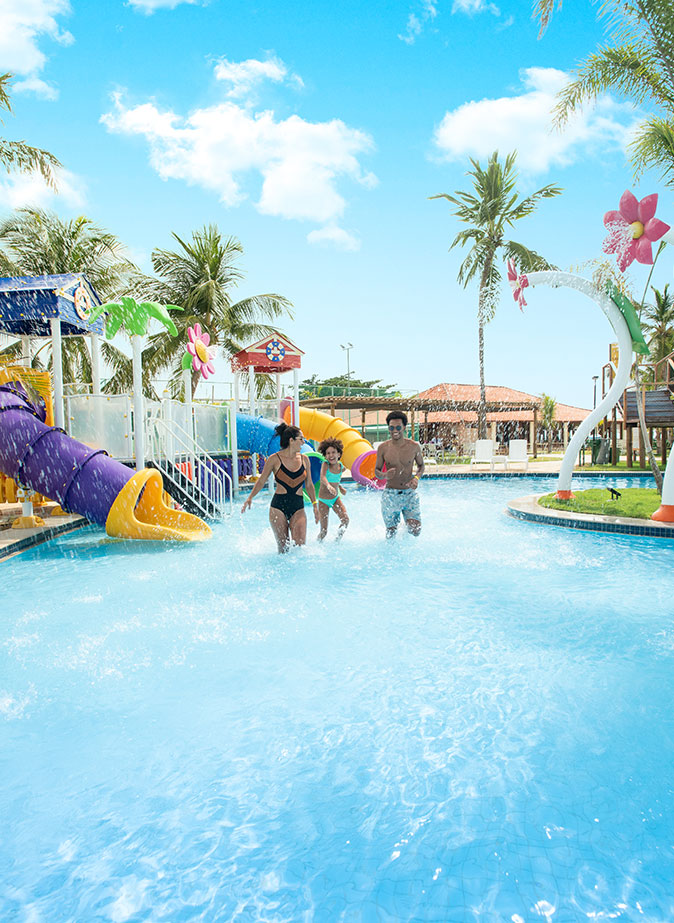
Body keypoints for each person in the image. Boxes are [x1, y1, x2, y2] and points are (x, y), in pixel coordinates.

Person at [241, 422, 318, 553]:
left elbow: (309, 484)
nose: (304, 442)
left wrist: (315, 504)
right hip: (278, 507)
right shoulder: (274, 459)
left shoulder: (305, 459)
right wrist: (250, 498)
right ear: (291, 440)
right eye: (301, 439)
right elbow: (261, 480)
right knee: (283, 550)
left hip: (298, 506)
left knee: (300, 548)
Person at [374, 410, 425, 538]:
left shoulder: (414, 447)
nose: (394, 430)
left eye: (398, 427)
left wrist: (416, 478)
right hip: (390, 494)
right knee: (391, 533)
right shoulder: (383, 448)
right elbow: (376, 471)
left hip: (409, 494)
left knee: (415, 531)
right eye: (391, 427)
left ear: (404, 427)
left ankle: (405, 522)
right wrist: (385, 475)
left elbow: (421, 466)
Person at [316, 438, 349, 541]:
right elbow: (323, 477)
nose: (331, 455)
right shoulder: (325, 465)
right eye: (328, 453)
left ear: (339, 454)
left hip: (335, 499)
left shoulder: (341, 467)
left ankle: (337, 541)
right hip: (323, 501)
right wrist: (328, 486)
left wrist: (340, 487)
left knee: (345, 520)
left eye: (333, 452)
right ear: (325, 456)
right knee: (324, 531)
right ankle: (318, 544)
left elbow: (336, 479)